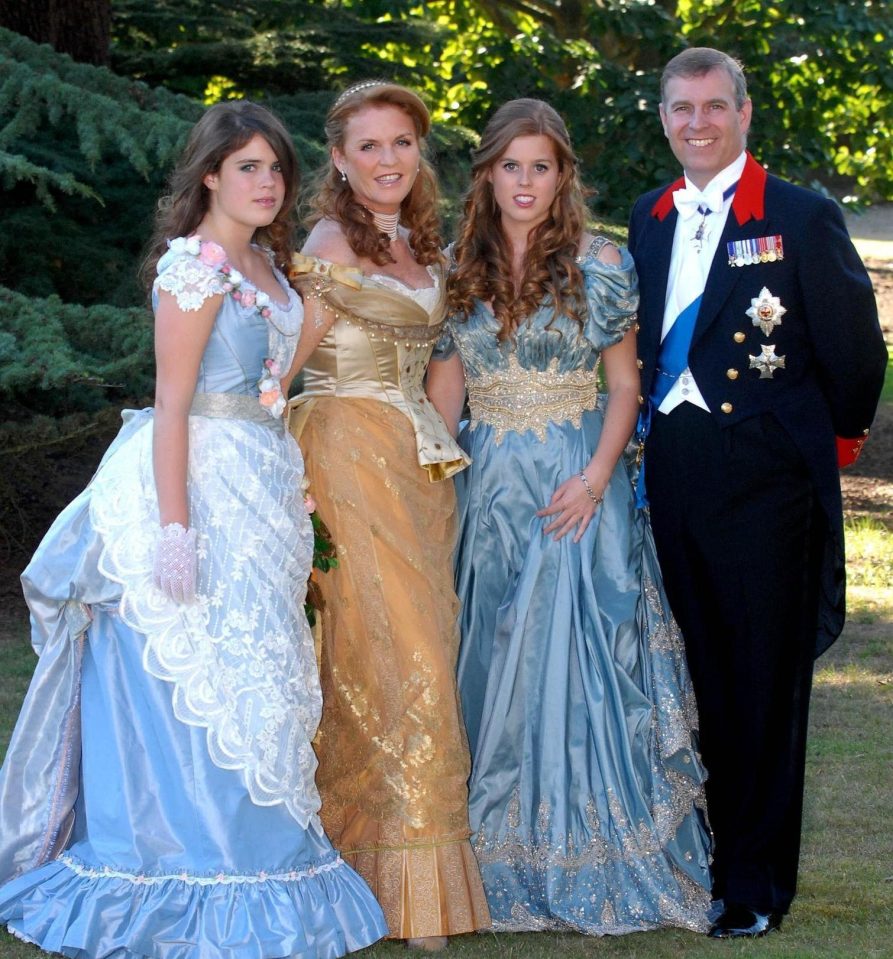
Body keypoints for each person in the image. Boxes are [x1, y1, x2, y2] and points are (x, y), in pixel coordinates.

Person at [0, 100, 388, 957]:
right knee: (199, 660)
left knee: (263, 665)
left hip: (262, 479)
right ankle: (185, 857)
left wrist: (306, 343)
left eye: (276, 168)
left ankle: (264, 852)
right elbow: (173, 403)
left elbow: (268, 388)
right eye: (247, 166)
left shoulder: (269, 265)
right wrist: (176, 529)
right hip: (194, 482)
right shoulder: (194, 266)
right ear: (209, 174)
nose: (266, 182)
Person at [426, 97, 712, 935]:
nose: (525, 181)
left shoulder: (601, 262)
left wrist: (594, 478)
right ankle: (483, 854)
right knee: (488, 651)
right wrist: (429, 478)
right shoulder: (455, 264)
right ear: (486, 173)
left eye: (540, 166)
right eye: (510, 165)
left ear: (562, 175)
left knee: (580, 656)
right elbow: (446, 388)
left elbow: (625, 385)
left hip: (573, 478)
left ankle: (591, 843)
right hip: (486, 484)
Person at [628, 48, 887, 938]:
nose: (695, 123)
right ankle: (700, 856)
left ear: (743, 113)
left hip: (764, 482)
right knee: (689, 671)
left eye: (711, 107)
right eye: (678, 109)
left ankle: (753, 884)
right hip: (671, 467)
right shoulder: (648, 216)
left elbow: (857, 355)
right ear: (661, 118)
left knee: (759, 682)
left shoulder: (800, 215)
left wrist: (820, 444)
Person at [283, 81, 490, 950]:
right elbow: (283, 367)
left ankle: (415, 880)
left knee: (422, 649)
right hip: (339, 453)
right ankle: (376, 878)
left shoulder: (420, 241)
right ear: (338, 158)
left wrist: (442, 430)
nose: (387, 161)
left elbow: (442, 357)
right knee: (379, 655)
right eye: (368, 146)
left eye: (401, 143)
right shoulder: (329, 241)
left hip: (416, 466)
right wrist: (270, 473)